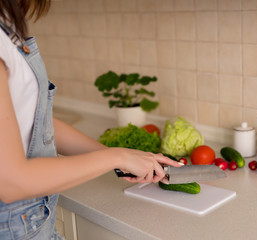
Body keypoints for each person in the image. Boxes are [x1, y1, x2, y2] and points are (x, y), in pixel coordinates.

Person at [0, 1, 181, 239]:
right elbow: (12, 183)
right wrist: (115, 156)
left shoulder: (6, 28)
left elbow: (37, 124)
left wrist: (120, 156)